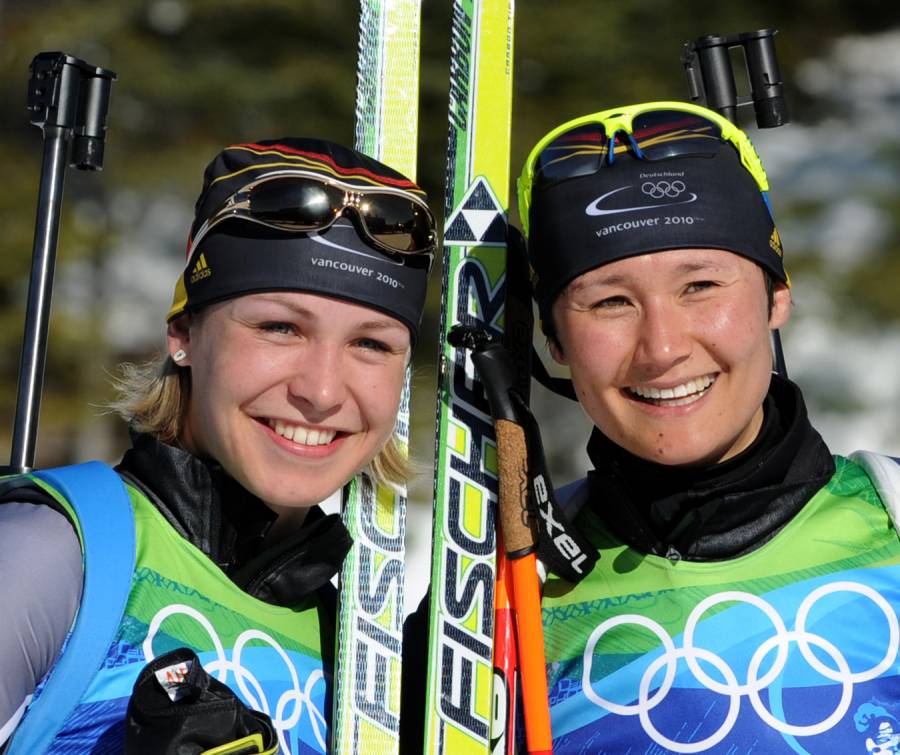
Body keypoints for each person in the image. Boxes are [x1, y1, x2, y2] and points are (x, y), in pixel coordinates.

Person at [0, 137, 436, 754]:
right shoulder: (50, 552)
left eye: (371, 344)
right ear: (184, 335)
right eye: (279, 328)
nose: (321, 391)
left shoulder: (359, 649)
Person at [515, 101, 900, 753]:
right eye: (610, 301)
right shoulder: (502, 594)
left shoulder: (890, 525)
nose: (662, 347)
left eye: (699, 286)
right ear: (554, 339)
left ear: (777, 294)